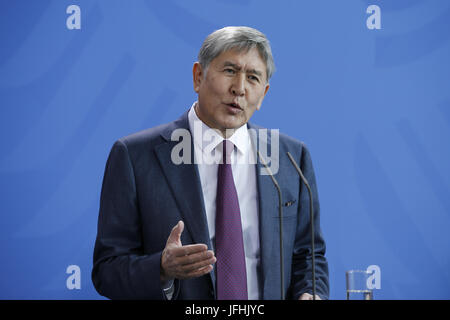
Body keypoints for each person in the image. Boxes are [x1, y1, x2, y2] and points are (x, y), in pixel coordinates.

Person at [92, 26, 329, 300]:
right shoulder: (135, 156)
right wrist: (161, 269)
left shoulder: (290, 157)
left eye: (252, 78)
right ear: (198, 76)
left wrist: (311, 293)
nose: (239, 88)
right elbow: (107, 270)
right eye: (229, 71)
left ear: (263, 94)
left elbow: (308, 255)